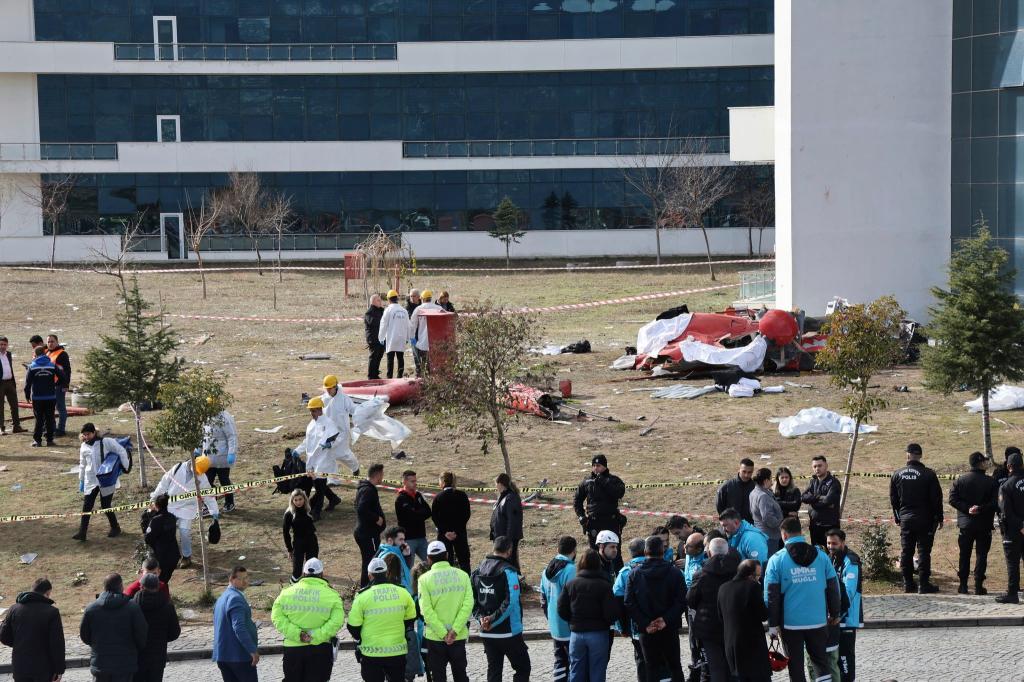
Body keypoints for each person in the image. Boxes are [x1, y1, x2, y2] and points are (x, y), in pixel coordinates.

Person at [764, 517, 841, 682]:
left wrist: (772, 624)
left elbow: (771, 595)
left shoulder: (776, 560)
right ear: (801, 532)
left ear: (784, 535)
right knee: (820, 661)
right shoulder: (822, 557)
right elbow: (834, 588)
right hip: (818, 620)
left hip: (791, 624)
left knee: (796, 666)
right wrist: (835, 613)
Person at [271, 558, 346, 682]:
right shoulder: (332, 595)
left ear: (304, 574)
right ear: (322, 574)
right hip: (320, 648)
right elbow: (337, 622)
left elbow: (277, 617)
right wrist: (315, 636)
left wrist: (298, 634)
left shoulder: (286, 593)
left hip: (293, 649)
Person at [624, 535, 687, 682]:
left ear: (645, 551)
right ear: (662, 551)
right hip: (669, 628)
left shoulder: (634, 574)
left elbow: (629, 602)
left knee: (651, 668)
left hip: (647, 630)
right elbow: (682, 600)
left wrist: (645, 623)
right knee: (675, 666)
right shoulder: (675, 573)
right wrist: (666, 620)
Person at [348, 557, 417, 682]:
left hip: (371, 653)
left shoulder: (362, 596)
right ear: (386, 572)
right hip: (397, 652)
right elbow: (411, 618)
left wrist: (362, 637)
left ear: (370, 575)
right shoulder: (402, 592)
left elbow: (353, 626)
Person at [472, 536, 530, 682]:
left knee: (494, 671)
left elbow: (471, 601)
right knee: (523, 668)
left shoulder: (477, 570)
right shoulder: (508, 571)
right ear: (509, 551)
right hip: (508, 632)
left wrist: (481, 620)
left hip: (487, 632)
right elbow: (510, 602)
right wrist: (491, 620)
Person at [557, 548, 619, 682]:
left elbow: (561, 608)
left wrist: (572, 621)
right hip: (598, 633)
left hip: (576, 634)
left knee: (576, 670)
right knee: (597, 670)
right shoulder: (604, 585)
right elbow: (611, 613)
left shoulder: (571, 584)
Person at [889, 443, 944, 594]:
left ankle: (907, 583)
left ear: (907, 455)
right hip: (925, 519)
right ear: (920, 456)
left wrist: (898, 517)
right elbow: (936, 498)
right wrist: (939, 517)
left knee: (906, 551)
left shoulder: (897, 474)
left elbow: (893, 500)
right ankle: (923, 584)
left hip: (906, 518)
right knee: (924, 552)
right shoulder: (929, 474)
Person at [418, 541, 475, 682]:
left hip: (435, 637)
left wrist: (443, 634)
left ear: (428, 559)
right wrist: (454, 631)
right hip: (458, 636)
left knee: (438, 677)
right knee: (461, 675)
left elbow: (426, 611)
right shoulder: (463, 575)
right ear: (447, 555)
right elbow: (468, 605)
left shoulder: (424, 579)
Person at [151, 455, 219, 569]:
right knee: (166, 531)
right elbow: (163, 483)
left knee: (184, 532)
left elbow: (209, 496)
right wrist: (154, 498)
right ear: (192, 462)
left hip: (188, 508)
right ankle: (164, 555)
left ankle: (186, 557)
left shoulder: (202, 478)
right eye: (196, 471)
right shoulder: (177, 468)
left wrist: (214, 513)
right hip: (171, 506)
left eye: (199, 472)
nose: (197, 474)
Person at [687, 538, 739, 682]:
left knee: (716, 668)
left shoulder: (700, 575)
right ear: (728, 551)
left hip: (709, 628)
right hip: (732, 625)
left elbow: (691, 599)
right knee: (733, 667)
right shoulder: (738, 572)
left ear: (709, 553)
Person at [80, 573, 148, 682]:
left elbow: (85, 636)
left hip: (100, 663)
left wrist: (96, 645)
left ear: (104, 587)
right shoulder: (133, 608)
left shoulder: (91, 609)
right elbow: (141, 634)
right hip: (125, 664)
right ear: (121, 586)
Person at [949, 451, 999, 595]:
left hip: (966, 525)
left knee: (964, 554)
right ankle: (978, 585)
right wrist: (980, 508)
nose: (986, 464)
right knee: (981, 555)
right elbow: (996, 503)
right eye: (985, 461)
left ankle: (963, 585)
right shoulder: (991, 482)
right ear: (981, 463)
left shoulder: (960, 480)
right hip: (984, 524)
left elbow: (952, 499)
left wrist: (967, 509)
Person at [0, 577, 65, 682]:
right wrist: (59, 670)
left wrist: (19, 643)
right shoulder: (52, 612)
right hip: (44, 669)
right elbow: (57, 644)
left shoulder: (14, 609)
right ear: (48, 593)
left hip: (20, 667)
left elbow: (4, 637)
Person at [74, 422, 131, 541]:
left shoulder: (106, 442)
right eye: (84, 434)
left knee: (105, 505)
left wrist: (125, 467)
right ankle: (82, 532)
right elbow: (82, 464)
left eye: (88, 434)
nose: (86, 437)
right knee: (86, 507)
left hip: (106, 479)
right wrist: (81, 480)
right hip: (91, 480)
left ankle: (115, 527)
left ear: (94, 432)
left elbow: (121, 450)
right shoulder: (83, 446)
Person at [717, 560, 771, 682]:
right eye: (758, 576)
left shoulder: (722, 588)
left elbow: (720, 617)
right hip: (752, 646)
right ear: (750, 576)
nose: (759, 579)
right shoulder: (752, 587)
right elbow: (763, 615)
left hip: (731, 645)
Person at [290, 396, 341, 521]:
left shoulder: (329, 423)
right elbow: (307, 441)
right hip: (312, 459)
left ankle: (315, 512)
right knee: (318, 484)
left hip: (324, 460)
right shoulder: (311, 425)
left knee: (319, 487)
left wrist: (330, 444)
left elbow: (338, 439)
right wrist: (298, 450)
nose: (311, 413)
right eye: (310, 411)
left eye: (313, 410)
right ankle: (334, 499)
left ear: (319, 410)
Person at [826, 529, 863, 682]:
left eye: (834, 543)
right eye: (828, 543)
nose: (830, 546)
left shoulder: (850, 561)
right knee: (835, 659)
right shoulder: (832, 558)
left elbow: (849, 592)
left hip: (846, 618)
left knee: (845, 659)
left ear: (842, 542)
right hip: (835, 618)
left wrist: (837, 614)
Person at [540, 535, 577, 682]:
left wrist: (549, 616)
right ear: (574, 551)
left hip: (554, 624)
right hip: (568, 624)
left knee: (559, 660)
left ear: (558, 549)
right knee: (573, 661)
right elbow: (574, 599)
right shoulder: (570, 570)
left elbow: (543, 598)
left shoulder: (545, 570)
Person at [212, 567, 259, 682]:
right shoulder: (235, 598)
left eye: (246, 577)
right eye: (241, 578)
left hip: (223, 655)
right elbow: (239, 627)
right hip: (238, 656)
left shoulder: (222, 597)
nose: (245, 581)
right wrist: (252, 649)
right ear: (231, 579)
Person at [612, 538, 650, 682]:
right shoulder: (658, 565)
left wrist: (622, 627)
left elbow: (618, 600)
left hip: (636, 626)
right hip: (659, 623)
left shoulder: (625, 572)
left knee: (641, 658)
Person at [133, 572, 181, 682]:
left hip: (137, 656)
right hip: (158, 657)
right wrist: (162, 638)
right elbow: (174, 632)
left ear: (142, 587)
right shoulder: (167, 606)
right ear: (158, 586)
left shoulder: (133, 606)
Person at [574, 454, 627, 549]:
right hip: (594, 522)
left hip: (611, 522)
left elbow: (619, 493)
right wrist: (581, 516)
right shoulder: (587, 481)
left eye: (598, 465)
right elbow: (577, 500)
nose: (595, 468)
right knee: (594, 554)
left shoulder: (613, 480)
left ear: (605, 466)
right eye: (594, 465)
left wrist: (603, 481)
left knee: (615, 554)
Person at [996, 451, 1024, 603]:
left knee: (1012, 563)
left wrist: (1020, 526)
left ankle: (1013, 594)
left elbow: (1005, 511)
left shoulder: (1006, 486)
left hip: (1013, 531)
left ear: (1009, 466)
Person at [320, 375, 360, 477]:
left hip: (341, 433)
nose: (328, 391)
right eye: (326, 389)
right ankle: (332, 479)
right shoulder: (324, 399)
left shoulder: (344, 399)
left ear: (335, 387)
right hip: (328, 432)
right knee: (328, 455)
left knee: (343, 454)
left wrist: (365, 411)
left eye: (330, 388)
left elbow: (354, 410)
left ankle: (355, 468)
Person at [432, 471, 472, 573]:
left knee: (446, 562)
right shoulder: (462, 495)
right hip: (460, 533)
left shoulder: (438, 497)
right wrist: (456, 531)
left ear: (442, 482)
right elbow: (466, 514)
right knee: (464, 561)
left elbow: (435, 517)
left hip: (444, 535)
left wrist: (445, 531)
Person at [355, 463, 387, 587]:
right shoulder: (368, 490)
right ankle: (366, 587)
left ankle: (366, 586)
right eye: (382, 474)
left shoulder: (365, 488)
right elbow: (361, 509)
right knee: (371, 562)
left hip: (366, 532)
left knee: (369, 560)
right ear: (377, 475)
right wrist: (376, 518)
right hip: (368, 534)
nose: (382, 477)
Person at [202, 409, 239, 512]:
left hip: (222, 456)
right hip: (208, 457)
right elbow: (204, 435)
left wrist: (231, 453)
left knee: (224, 480)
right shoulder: (206, 417)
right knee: (207, 482)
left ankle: (229, 502)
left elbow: (232, 436)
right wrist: (199, 448)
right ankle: (209, 504)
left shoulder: (225, 417)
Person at [681, 532, 706, 682]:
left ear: (698, 549)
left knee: (698, 640)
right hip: (688, 605)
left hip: (698, 606)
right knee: (692, 640)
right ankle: (695, 665)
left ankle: (700, 669)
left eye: (688, 546)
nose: (684, 547)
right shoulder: (689, 555)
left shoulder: (703, 563)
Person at [801, 455, 842, 547]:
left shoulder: (834, 483)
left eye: (820, 466)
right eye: (815, 466)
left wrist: (812, 503)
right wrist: (819, 498)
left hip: (829, 526)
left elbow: (828, 500)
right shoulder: (813, 482)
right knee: (816, 553)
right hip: (814, 525)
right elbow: (803, 497)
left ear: (826, 466)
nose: (817, 469)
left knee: (831, 553)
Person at [395, 470, 432, 565]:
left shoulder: (418, 495)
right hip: (408, 539)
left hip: (421, 537)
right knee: (408, 567)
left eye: (415, 481)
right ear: (405, 482)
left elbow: (428, 512)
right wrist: (419, 513)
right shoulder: (400, 499)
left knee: (432, 563)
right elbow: (410, 517)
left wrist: (416, 513)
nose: (415, 483)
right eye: (412, 481)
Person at [24, 346, 58, 447]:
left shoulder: (32, 366)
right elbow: (62, 376)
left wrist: (27, 395)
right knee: (49, 418)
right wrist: (55, 385)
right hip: (51, 397)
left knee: (39, 419)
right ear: (44, 352)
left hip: (37, 398)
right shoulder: (52, 365)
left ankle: (37, 441)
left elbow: (27, 383)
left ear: (35, 354)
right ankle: (50, 440)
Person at [143, 495, 181, 584]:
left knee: (159, 583)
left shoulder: (156, 520)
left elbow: (148, 539)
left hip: (162, 557)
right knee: (164, 581)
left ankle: (162, 596)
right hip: (173, 555)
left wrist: (147, 521)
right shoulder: (172, 517)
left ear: (156, 505)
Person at [283, 489, 319, 583]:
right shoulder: (289, 514)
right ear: (292, 501)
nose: (298, 502)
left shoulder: (309, 508)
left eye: (300, 499)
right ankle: (291, 591)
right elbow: (285, 533)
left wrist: (314, 478)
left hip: (312, 542)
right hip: (298, 544)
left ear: (304, 499)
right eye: (296, 500)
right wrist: (289, 549)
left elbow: (320, 492)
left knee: (311, 570)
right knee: (297, 572)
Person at [490, 473, 523, 570]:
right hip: (501, 536)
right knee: (504, 562)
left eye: (495, 484)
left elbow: (512, 520)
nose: (495, 486)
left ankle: (516, 581)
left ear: (500, 484)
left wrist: (508, 539)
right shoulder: (503, 497)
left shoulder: (510, 498)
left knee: (510, 562)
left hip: (506, 538)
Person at [408, 289, 442, 377]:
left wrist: (412, 337)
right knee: (435, 364)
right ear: (430, 298)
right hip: (436, 342)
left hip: (423, 343)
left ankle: (424, 381)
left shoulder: (418, 309)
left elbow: (412, 325)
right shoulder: (438, 308)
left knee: (424, 364)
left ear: (422, 299)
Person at [750, 468, 784, 554]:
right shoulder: (763, 496)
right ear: (766, 481)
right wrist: (779, 523)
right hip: (769, 535)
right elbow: (767, 517)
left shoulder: (753, 492)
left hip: (761, 532)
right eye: (771, 478)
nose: (772, 481)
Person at [379, 290, 411, 379]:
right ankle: (399, 376)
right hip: (402, 338)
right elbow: (408, 325)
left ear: (389, 299)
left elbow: (383, 324)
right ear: (397, 299)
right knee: (400, 358)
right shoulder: (404, 310)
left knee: (390, 359)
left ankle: (389, 377)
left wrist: (381, 337)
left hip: (391, 338)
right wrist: (408, 337)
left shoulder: (388, 310)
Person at [375, 526, 413, 593]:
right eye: (400, 540)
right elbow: (394, 579)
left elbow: (404, 572)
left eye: (404, 539)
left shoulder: (397, 552)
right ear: (390, 541)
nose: (403, 543)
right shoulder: (388, 556)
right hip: (401, 594)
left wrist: (407, 556)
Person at [0, 336, 26, 435]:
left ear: (7, 345)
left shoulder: (9, 354)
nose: (2, 346)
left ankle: (16, 426)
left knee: (14, 405)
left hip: (10, 382)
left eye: (4, 344)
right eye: (1, 344)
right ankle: (1, 428)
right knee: (1, 406)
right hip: (0, 383)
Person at [365, 294, 386, 380]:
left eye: (380, 300)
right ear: (373, 302)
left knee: (379, 356)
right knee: (373, 357)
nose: (380, 302)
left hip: (381, 339)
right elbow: (374, 322)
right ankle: (371, 376)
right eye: (378, 300)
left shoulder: (381, 311)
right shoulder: (369, 312)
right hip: (373, 339)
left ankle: (375, 373)